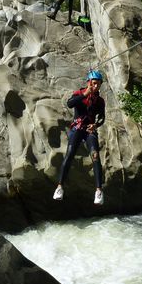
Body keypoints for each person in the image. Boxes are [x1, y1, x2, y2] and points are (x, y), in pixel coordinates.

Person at [53, 70, 106, 205]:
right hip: (77, 128)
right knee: (70, 154)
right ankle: (59, 187)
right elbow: (70, 104)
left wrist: (96, 125)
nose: (96, 87)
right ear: (89, 83)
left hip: (89, 130)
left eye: (98, 85)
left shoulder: (100, 101)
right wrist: (85, 94)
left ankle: (98, 191)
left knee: (95, 156)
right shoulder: (79, 93)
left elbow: (102, 118)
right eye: (94, 84)